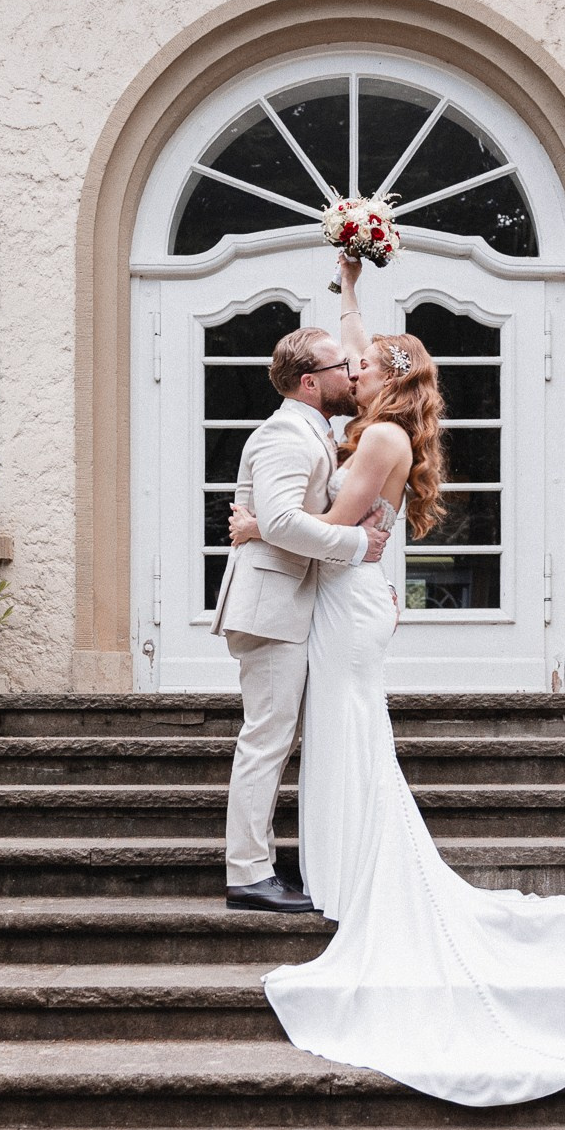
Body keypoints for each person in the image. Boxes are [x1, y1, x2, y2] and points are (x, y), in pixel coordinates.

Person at [225, 253, 565, 1106]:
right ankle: (328, 869)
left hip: (345, 599)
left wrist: (254, 528)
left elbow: (333, 526)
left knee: (349, 734)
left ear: (380, 379)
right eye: (346, 361)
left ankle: (347, 874)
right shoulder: (378, 420)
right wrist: (350, 286)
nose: (354, 364)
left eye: (363, 362)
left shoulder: (380, 436)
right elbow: (359, 356)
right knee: (342, 735)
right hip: (341, 601)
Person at [210, 324, 389, 914]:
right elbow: (284, 520)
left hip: (293, 604)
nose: (352, 374)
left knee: (276, 738)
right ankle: (248, 873)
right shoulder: (286, 434)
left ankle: (263, 861)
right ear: (311, 382)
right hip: (270, 609)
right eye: (341, 368)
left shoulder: (315, 431)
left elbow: (280, 520)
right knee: (267, 739)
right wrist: (358, 546)